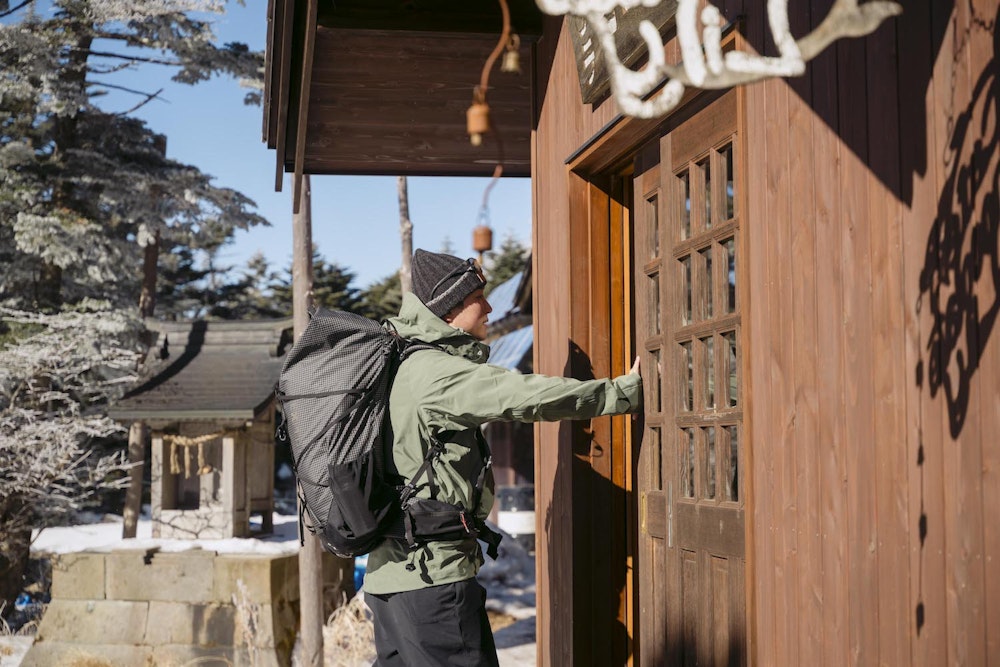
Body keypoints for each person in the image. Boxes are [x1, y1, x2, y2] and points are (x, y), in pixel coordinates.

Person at [364, 249, 643, 667]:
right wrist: (619, 393)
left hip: (389, 580)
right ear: (451, 307)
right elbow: (524, 396)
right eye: (479, 296)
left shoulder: (402, 365)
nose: (490, 306)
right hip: (432, 581)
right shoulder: (437, 374)